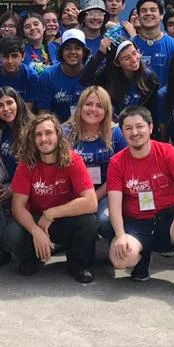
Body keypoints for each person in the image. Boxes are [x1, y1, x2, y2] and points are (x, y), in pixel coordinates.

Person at [106, 106, 174, 296]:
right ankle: (141, 257)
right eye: (128, 128)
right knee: (120, 260)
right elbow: (114, 205)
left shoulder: (167, 151)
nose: (135, 132)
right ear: (122, 131)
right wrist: (120, 235)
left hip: (168, 220)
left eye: (140, 126)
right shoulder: (117, 162)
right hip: (137, 223)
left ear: (151, 127)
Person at [3, 113, 99, 283]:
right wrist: (35, 231)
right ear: (32, 139)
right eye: (38, 135)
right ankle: (34, 256)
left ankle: (78, 264)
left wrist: (52, 213)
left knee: (88, 222)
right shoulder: (26, 163)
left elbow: (91, 202)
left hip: (64, 218)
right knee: (11, 236)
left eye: (48, 133)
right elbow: (18, 207)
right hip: (36, 219)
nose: (43, 139)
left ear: (58, 135)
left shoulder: (73, 160)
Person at [63, 86, 126, 240]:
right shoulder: (65, 132)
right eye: (88, 104)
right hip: (72, 194)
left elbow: (120, 173)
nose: (93, 109)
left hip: (106, 192)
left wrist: (93, 198)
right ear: (80, 106)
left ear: (106, 111)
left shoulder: (115, 133)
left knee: (105, 221)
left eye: (99, 106)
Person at [0, 85, 32, 265]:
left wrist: (12, 188)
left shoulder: (32, 128)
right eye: (0, 105)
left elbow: (32, 167)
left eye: (10, 103)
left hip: (30, 188)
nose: (6, 109)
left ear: (18, 103)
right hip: (10, 184)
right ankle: (1, 247)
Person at [80, 40, 159, 120]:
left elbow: (152, 111)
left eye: (134, 53)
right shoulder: (106, 74)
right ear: (116, 63)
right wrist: (100, 54)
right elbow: (85, 80)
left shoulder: (149, 77)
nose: (134, 60)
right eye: (127, 58)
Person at [37, 29, 88, 123]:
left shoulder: (91, 74)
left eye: (77, 48)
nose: (73, 52)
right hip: (57, 131)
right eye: (67, 48)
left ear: (84, 52)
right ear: (61, 51)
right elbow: (43, 113)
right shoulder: (48, 76)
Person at [131, 0, 174, 80]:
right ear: (138, 16)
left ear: (161, 16)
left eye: (153, 10)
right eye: (144, 11)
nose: (148, 13)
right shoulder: (129, 45)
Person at [0, 36, 39, 107]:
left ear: (23, 56)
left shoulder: (31, 76)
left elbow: (29, 109)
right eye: (5, 56)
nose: (10, 61)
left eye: (14, 56)